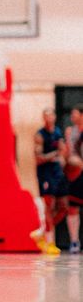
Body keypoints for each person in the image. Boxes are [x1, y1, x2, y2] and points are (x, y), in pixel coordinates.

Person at [30, 107, 67, 255]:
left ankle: (41, 231)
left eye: (50, 116)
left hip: (57, 173)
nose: (48, 118)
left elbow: (63, 151)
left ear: (54, 117)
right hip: (45, 174)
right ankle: (50, 242)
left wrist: (63, 155)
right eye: (46, 116)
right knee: (49, 206)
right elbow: (39, 158)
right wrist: (54, 154)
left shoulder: (58, 132)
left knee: (64, 207)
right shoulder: (40, 135)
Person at [65, 104, 83, 254]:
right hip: (76, 172)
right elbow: (69, 153)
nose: (72, 117)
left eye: (75, 114)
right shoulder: (71, 132)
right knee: (73, 206)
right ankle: (74, 241)